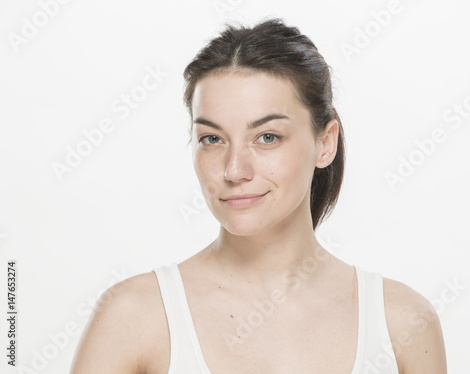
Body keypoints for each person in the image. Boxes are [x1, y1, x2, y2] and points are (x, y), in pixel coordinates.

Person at [70, 18, 447, 373]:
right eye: (212, 139)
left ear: (325, 143)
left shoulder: (402, 323)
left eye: (267, 137)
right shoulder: (132, 316)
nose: (234, 170)